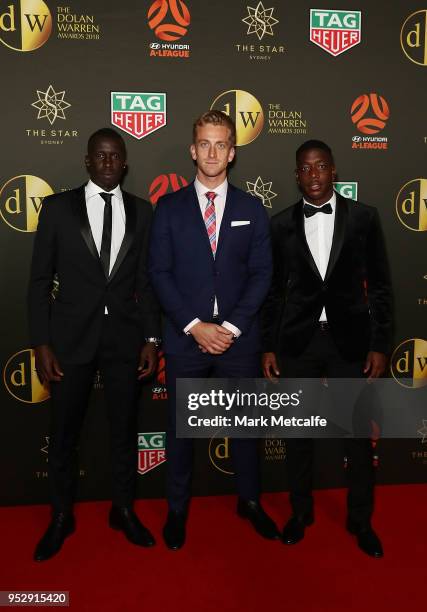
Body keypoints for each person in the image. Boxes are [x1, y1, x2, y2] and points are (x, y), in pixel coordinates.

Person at [28, 128, 161, 561]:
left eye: (115, 156)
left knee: (124, 432)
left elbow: (147, 284)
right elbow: (38, 282)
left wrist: (152, 337)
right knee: (64, 435)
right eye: (100, 156)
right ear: (87, 161)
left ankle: (122, 510)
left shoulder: (144, 213)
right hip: (69, 343)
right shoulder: (57, 209)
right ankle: (61, 516)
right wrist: (41, 343)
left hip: (125, 342)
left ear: (125, 163)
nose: (107, 163)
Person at [148, 110, 278, 549]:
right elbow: (159, 274)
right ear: (192, 149)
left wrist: (233, 328)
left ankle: (250, 502)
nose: (212, 152)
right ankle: (178, 508)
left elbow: (262, 274)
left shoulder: (251, 208)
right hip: (187, 340)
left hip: (239, 342)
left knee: (244, 428)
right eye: (204, 143)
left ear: (232, 152)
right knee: (182, 430)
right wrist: (195, 327)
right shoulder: (167, 209)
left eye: (221, 144)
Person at [261, 140, 392, 558]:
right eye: (305, 168)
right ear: (296, 174)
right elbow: (273, 294)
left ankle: (360, 519)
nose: (313, 175)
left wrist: (380, 343)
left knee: (356, 435)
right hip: (297, 342)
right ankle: (300, 514)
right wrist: (268, 346)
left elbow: (382, 286)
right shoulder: (279, 224)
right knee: (298, 435)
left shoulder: (365, 219)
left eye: (320, 167)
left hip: (349, 343)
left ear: (333, 171)